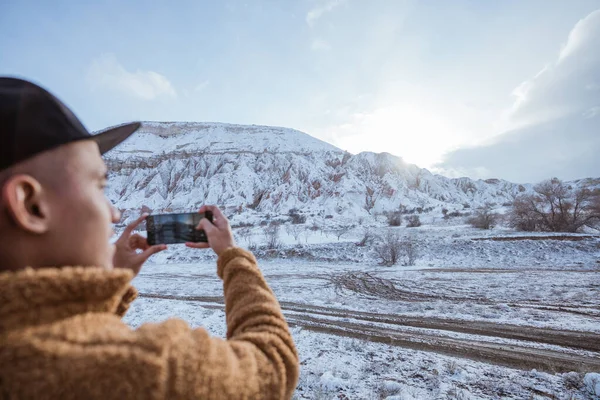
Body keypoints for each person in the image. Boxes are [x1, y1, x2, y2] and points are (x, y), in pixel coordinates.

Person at [0, 77, 299, 399]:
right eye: (99, 186)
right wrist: (232, 255)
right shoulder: (146, 367)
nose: (114, 213)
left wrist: (113, 273)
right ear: (31, 205)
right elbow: (272, 365)